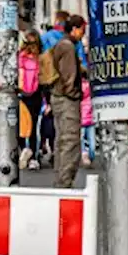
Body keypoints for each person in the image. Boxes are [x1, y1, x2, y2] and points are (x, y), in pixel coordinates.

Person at [49, 15, 87, 188]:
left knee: (62, 140)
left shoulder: (61, 44)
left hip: (58, 97)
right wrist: (74, 94)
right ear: (75, 29)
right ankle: (64, 182)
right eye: (82, 31)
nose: (82, 35)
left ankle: (61, 179)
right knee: (70, 140)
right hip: (66, 99)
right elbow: (69, 76)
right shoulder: (68, 47)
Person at [18, 30, 45, 170]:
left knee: (23, 126)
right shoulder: (40, 58)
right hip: (37, 95)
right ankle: (34, 157)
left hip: (22, 95)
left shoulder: (20, 57)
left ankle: (24, 150)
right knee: (35, 127)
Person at [81, 77, 95, 169]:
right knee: (92, 142)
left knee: (81, 140)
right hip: (91, 120)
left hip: (81, 120)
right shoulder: (92, 93)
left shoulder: (76, 91)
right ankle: (90, 157)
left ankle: (84, 155)